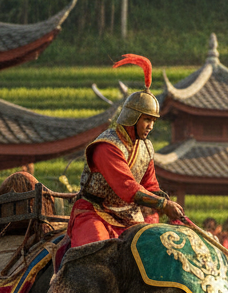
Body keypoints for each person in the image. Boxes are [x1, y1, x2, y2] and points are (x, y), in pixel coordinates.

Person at [68, 54, 182, 248]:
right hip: (95, 213)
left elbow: (149, 184)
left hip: (130, 216)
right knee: (97, 251)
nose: (150, 127)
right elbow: (127, 188)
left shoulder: (146, 147)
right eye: (147, 120)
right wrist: (162, 205)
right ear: (132, 117)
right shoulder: (107, 146)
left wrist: (164, 199)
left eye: (153, 121)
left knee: (153, 249)